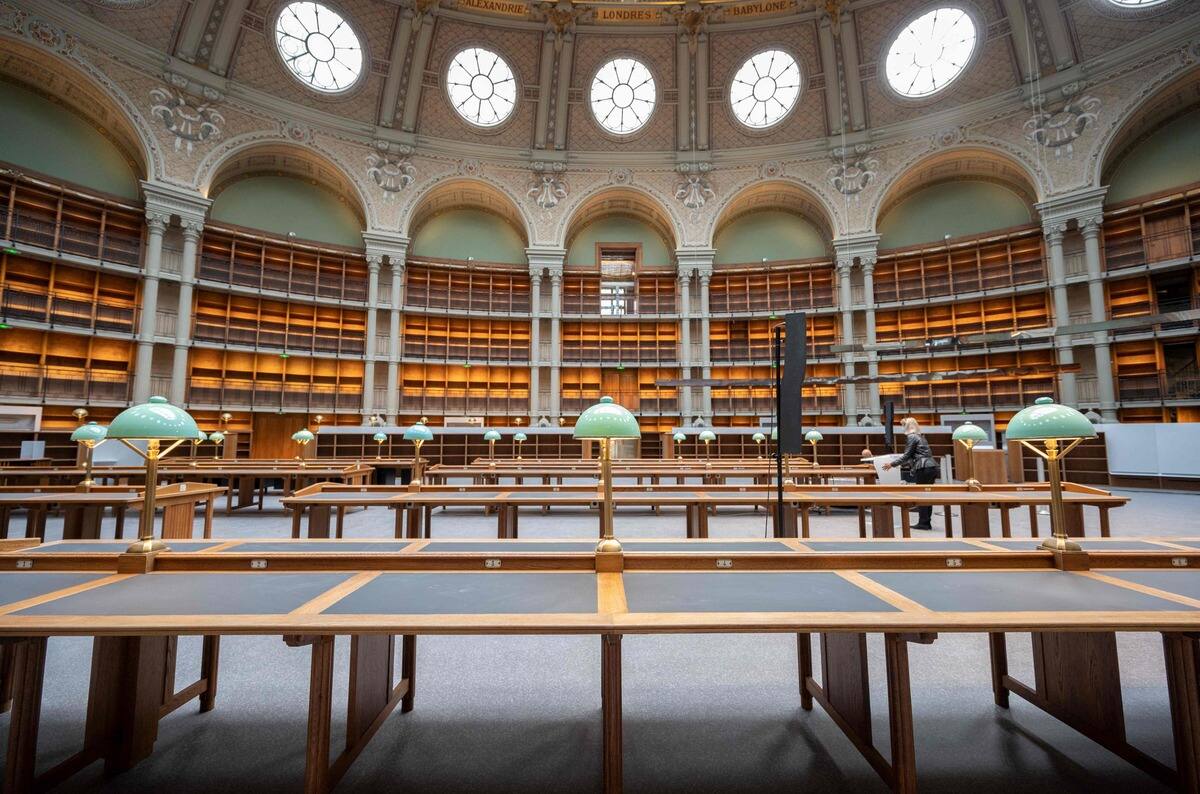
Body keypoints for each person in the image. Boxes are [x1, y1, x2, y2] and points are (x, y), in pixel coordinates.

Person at [882, 417, 938, 530]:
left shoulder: (911, 437)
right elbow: (913, 456)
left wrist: (892, 464)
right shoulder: (920, 437)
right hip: (931, 467)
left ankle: (923, 523)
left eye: (904, 426)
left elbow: (907, 455)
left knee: (922, 496)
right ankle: (926, 522)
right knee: (927, 496)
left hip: (923, 468)